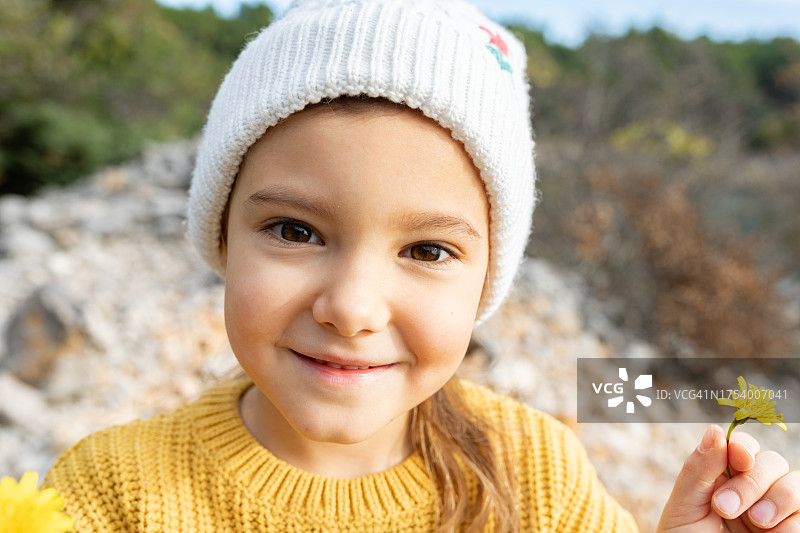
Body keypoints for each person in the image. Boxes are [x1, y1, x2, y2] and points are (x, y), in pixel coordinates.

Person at [44, 0, 800, 531]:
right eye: (295, 230)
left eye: (427, 250)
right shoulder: (109, 496)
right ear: (221, 234)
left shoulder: (535, 477)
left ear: (485, 284)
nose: (352, 306)